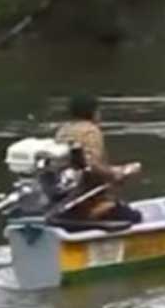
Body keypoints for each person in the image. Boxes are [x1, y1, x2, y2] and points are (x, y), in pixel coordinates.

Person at [54, 94, 144, 224]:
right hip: (86, 202)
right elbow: (92, 166)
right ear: (93, 112)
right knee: (134, 217)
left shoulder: (63, 131)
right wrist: (118, 173)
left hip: (64, 200)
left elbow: (79, 164)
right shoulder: (91, 132)